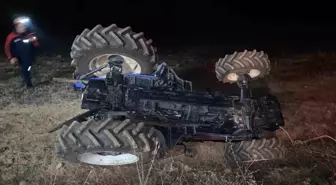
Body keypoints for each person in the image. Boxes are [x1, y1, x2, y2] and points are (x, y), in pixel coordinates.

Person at [4, 16, 39, 87]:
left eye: (24, 26)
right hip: (17, 56)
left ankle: (26, 79)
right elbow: (7, 48)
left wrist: (34, 40)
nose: (24, 28)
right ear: (16, 28)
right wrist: (10, 58)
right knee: (25, 68)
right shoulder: (11, 36)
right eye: (21, 26)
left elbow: (36, 45)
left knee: (28, 67)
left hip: (28, 56)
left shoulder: (29, 34)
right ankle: (28, 83)